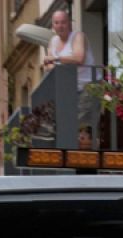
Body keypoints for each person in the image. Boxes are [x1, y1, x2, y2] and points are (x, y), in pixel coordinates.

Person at [42, 9, 100, 146]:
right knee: (63, 124)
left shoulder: (78, 36)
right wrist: (55, 63)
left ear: (69, 24)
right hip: (69, 89)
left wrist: (56, 59)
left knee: (83, 127)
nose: (60, 26)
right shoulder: (53, 41)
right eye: (57, 23)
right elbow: (48, 67)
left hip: (88, 87)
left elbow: (79, 57)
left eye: (63, 22)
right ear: (53, 25)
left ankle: (86, 160)